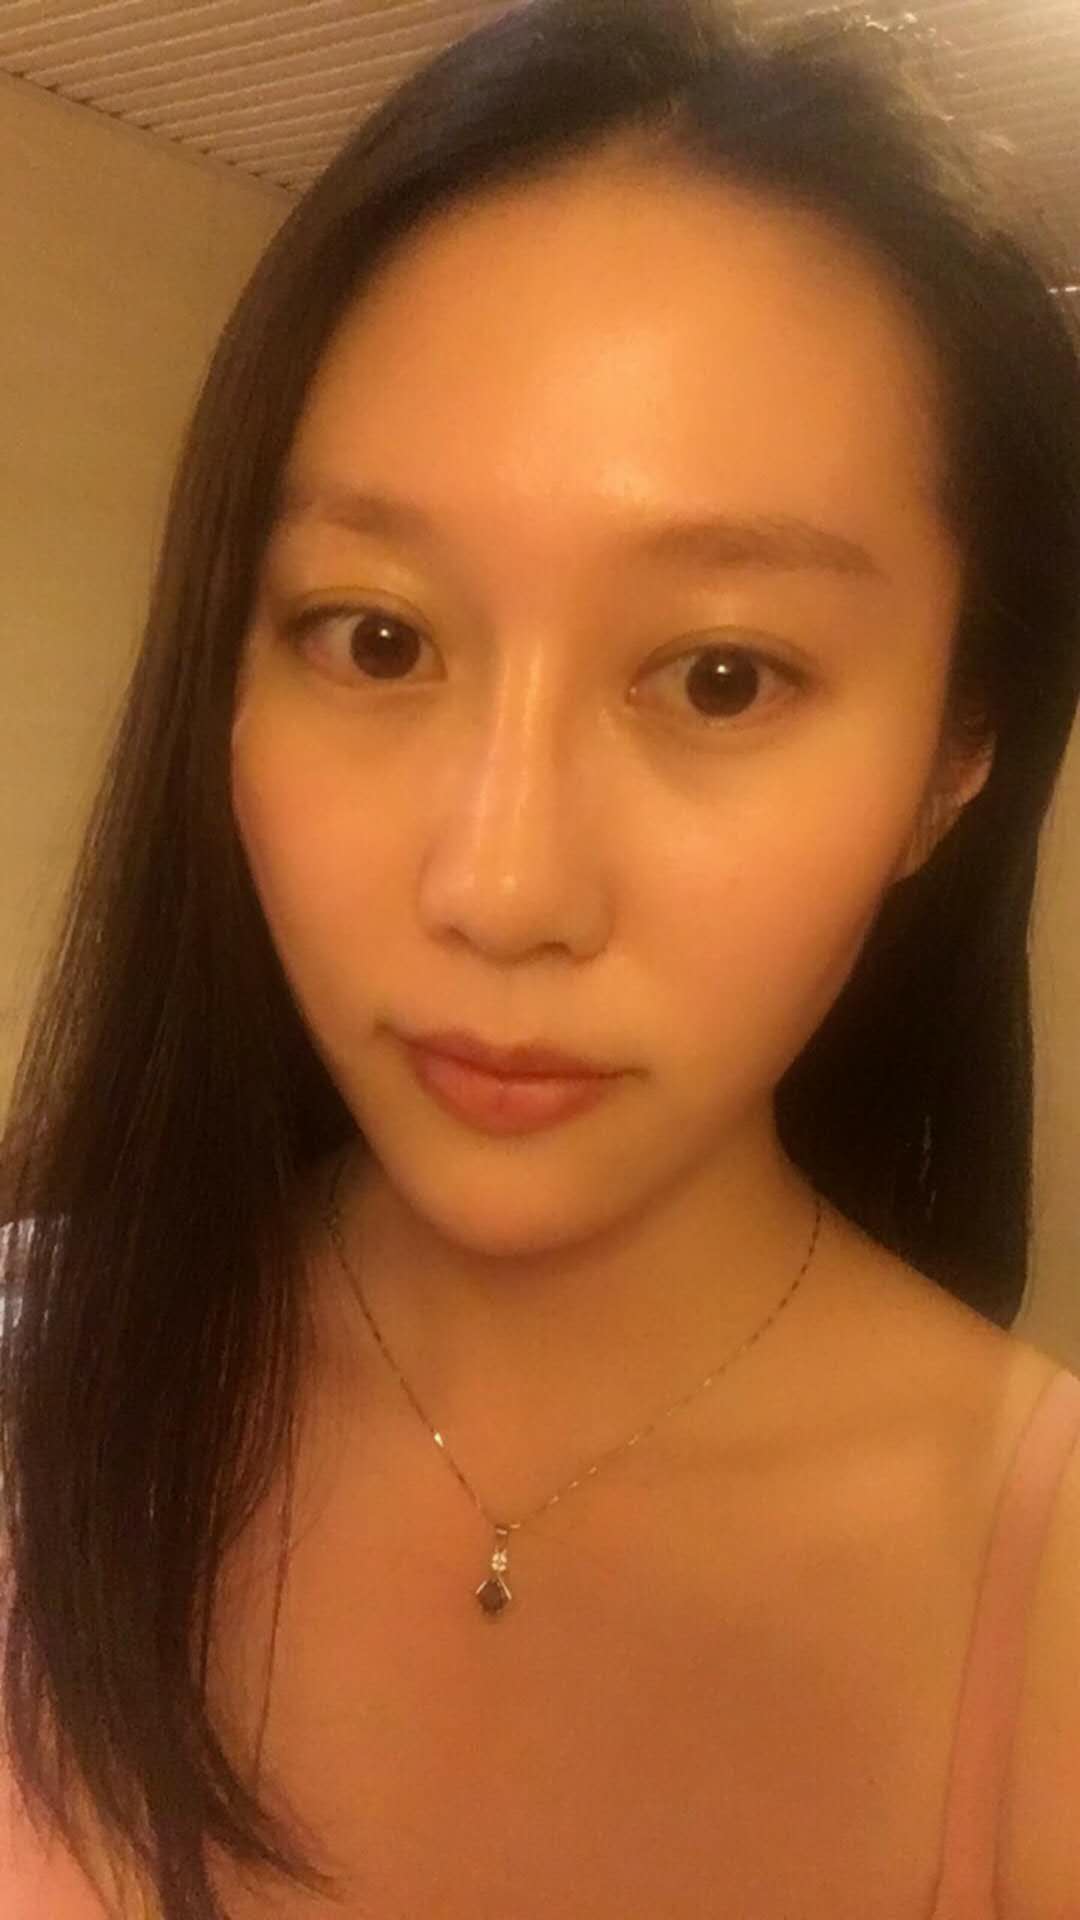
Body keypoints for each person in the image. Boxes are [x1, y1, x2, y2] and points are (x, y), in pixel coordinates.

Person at [1, 0, 1079, 1914]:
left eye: (722, 676)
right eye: (377, 638)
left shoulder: (1043, 1590)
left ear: (951, 764)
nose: (501, 891)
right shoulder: (33, 1393)